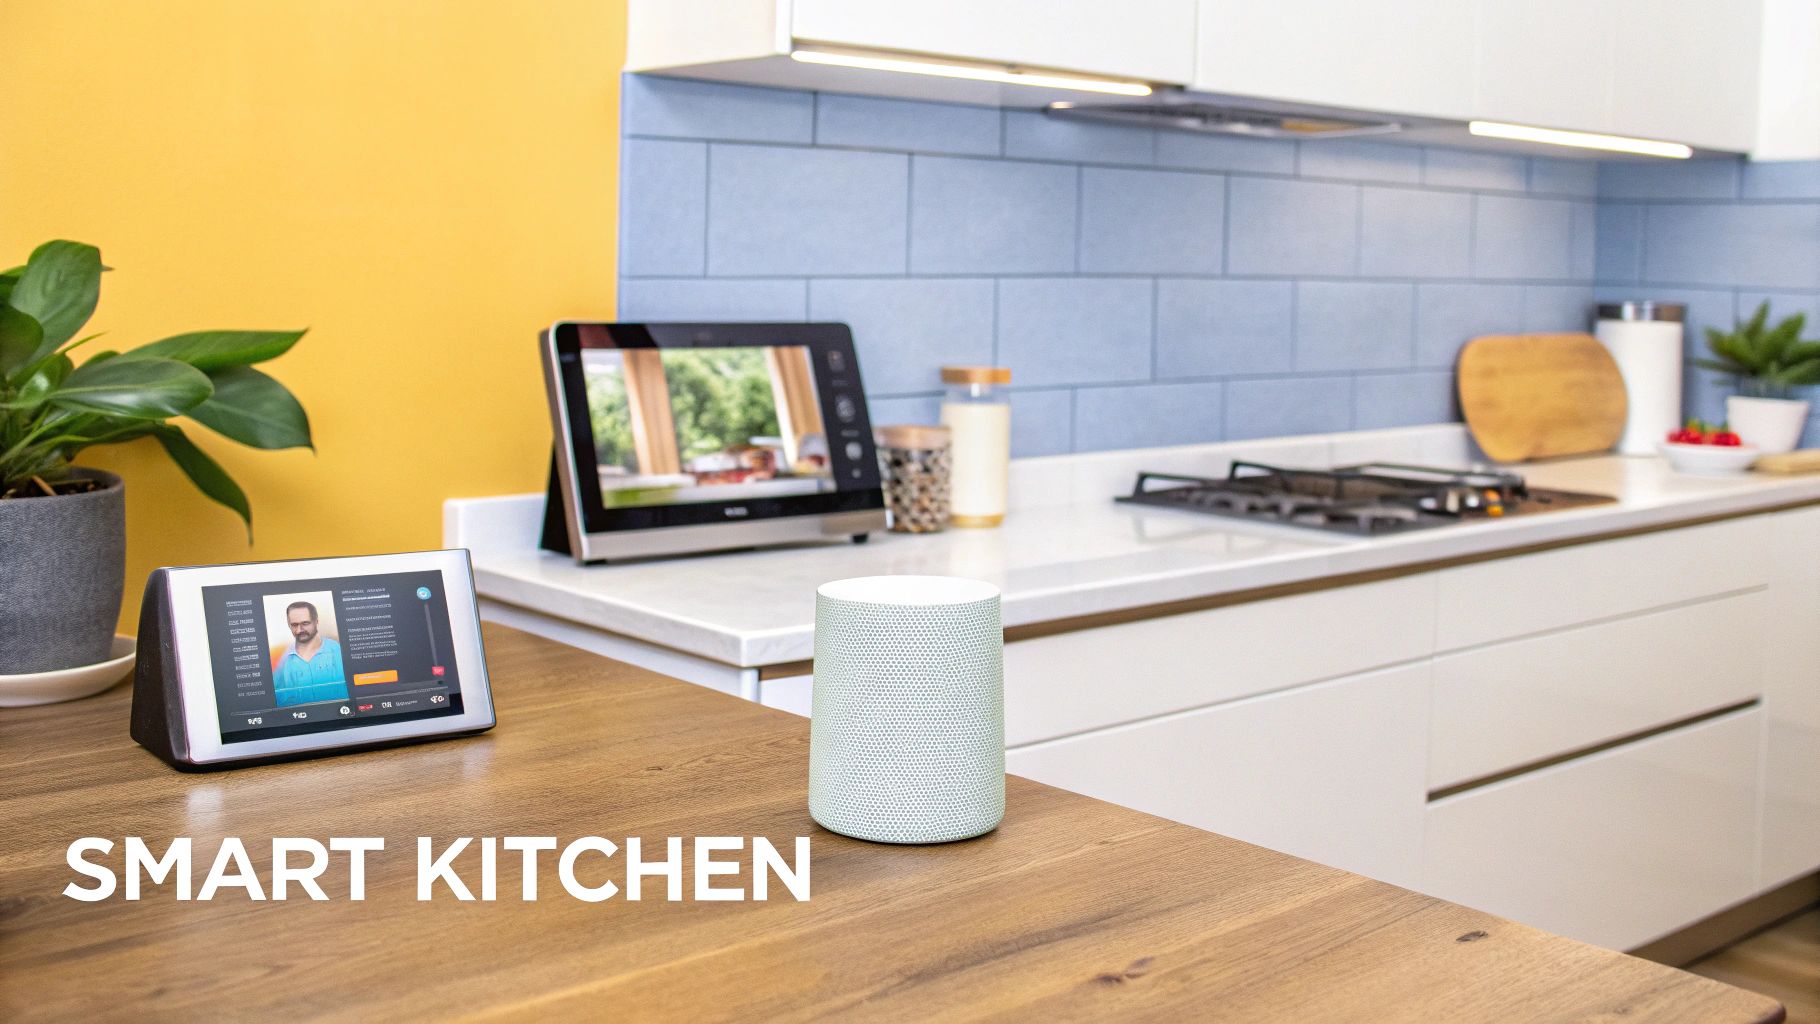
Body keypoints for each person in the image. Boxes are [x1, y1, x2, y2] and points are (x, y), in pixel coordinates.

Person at [273, 600, 347, 706]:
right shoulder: (285, 659)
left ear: (316, 621)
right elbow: (277, 697)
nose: (299, 630)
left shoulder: (336, 650)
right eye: (294, 625)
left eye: (305, 623)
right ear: (289, 625)